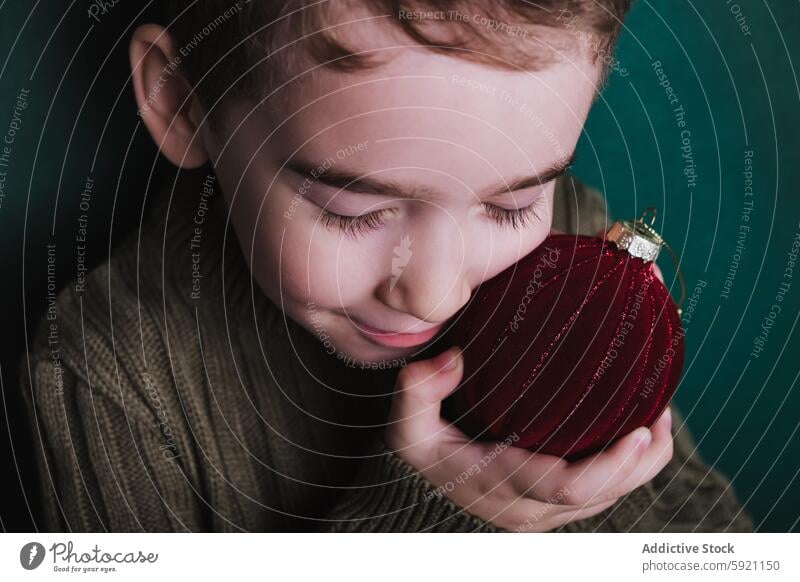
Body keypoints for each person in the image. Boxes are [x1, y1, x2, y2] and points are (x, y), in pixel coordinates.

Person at [22, 0, 752, 532]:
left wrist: (596, 485)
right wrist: (438, 514)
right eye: (351, 210)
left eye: (511, 205)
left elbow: (708, 532)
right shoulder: (112, 389)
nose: (434, 295)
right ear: (184, 102)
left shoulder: (572, 247)